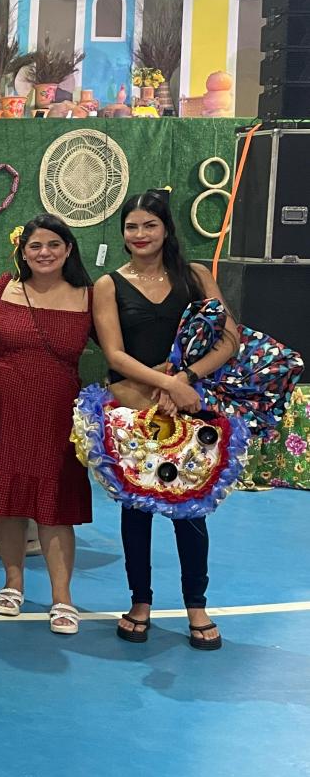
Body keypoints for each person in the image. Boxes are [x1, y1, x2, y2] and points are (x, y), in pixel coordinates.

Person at [92, 190, 238, 651]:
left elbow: (229, 338)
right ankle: (140, 602)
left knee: (189, 510)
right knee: (136, 511)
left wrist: (185, 381)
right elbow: (114, 353)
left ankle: (197, 605)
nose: (140, 234)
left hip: (191, 410)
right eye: (131, 226)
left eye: (149, 225)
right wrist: (164, 384)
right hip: (135, 412)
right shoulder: (108, 285)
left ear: (166, 228)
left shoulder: (195, 276)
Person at [0, 215, 94, 635]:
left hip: (57, 414)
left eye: (53, 244)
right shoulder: (2, 289)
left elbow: (120, 345)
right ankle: (13, 583)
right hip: (2, 408)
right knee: (8, 500)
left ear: (68, 249)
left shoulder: (89, 296)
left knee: (56, 504)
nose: (44, 253)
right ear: (22, 251)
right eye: (35, 246)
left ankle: (62, 597)